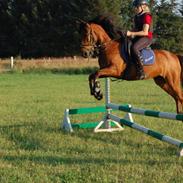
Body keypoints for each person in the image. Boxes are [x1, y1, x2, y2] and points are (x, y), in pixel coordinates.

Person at [127, 0, 153, 79]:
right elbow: (136, 29)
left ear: (143, 7)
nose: (135, 8)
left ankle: (141, 71)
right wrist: (128, 33)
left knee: (134, 48)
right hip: (139, 37)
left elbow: (145, 32)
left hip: (147, 37)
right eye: (135, 7)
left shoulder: (146, 16)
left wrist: (131, 33)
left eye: (137, 7)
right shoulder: (136, 16)